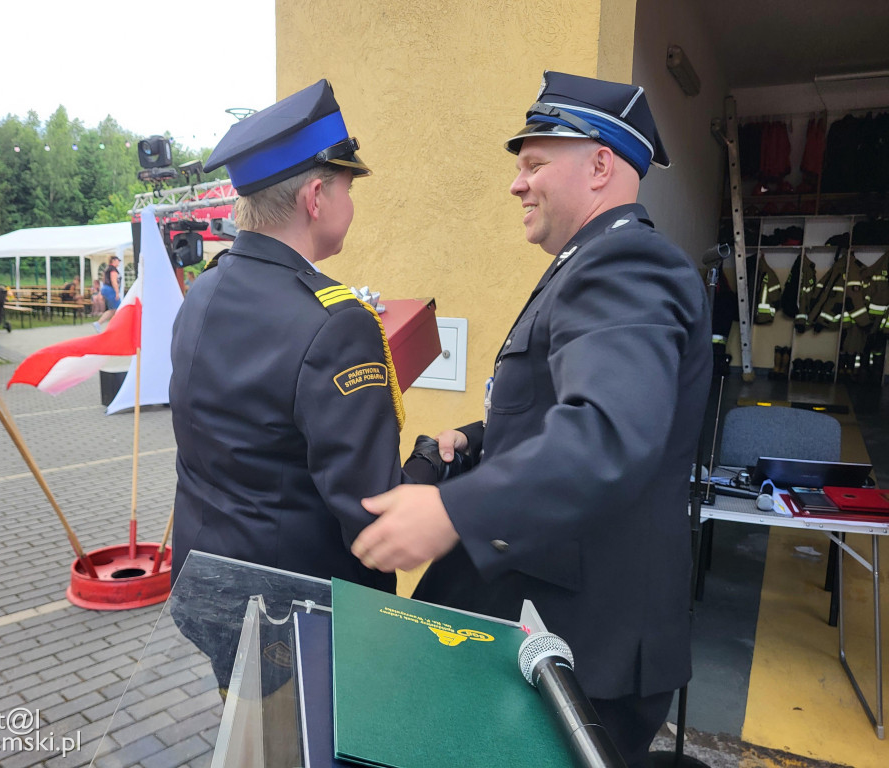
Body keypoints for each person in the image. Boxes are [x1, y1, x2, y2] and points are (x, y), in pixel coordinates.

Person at [350, 71, 712, 768]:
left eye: (534, 164)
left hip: (589, 643)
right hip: (562, 621)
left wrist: (454, 510)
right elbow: (566, 409)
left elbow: (608, 432)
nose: (518, 184)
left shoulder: (624, 263)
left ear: (601, 165)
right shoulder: (587, 264)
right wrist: (479, 441)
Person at [170, 79, 408, 593]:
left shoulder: (203, 291)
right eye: (348, 185)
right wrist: (436, 465)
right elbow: (374, 514)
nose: (351, 201)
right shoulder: (337, 322)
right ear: (316, 197)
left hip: (209, 584)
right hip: (298, 612)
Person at [94, 256, 121, 332]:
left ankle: (114, 326)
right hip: (110, 289)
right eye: (118, 261)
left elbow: (103, 280)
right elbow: (114, 281)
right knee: (117, 308)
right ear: (113, 261)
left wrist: (101, 292)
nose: (119, 262)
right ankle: (99, 323)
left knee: (113, 310)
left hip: (106, 289)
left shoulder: (107, 269)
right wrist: (117, 292)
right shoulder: (113, 269)